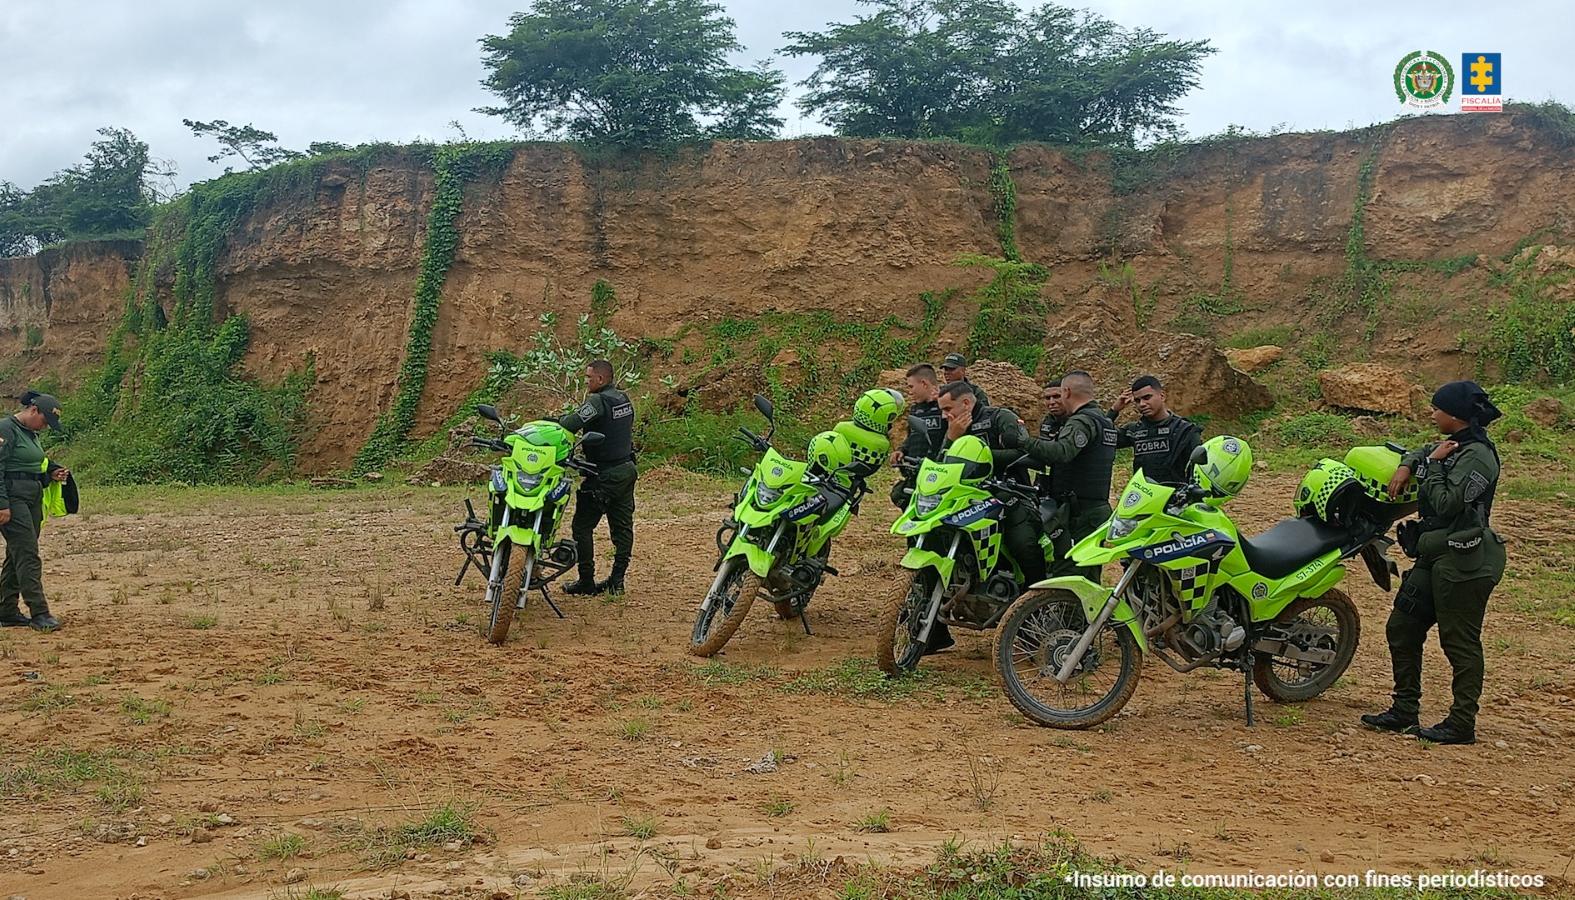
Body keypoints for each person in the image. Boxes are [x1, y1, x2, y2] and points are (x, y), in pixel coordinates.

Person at [1361, 381, 1507, 745]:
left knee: (1459, 642)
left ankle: (1461, 724)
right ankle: (1404, 709)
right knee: (1402, 627)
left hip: (1465, 558)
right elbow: (1425, 450)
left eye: (1436, 409)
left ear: (1455, 415)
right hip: (1435, 554)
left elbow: (1447, 504)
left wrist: (1434, 466)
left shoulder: (1478, 456)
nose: (1432, 413)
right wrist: (1410, 464)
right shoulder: (1454, 446)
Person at [1010, 371, 1117, 582]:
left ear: (1066, 392)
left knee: (1067, 574)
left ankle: (1071, 616)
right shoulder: (1104, 422)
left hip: (1080, 514)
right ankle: (1090, 615)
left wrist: (1024, 440)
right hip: (1094, 508)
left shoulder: (1081, 421)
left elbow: (1061, 452)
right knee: (1088, 574)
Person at [935, 382, 1043, 584]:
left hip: (1011, 494)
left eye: (947, 409)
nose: (944, 415)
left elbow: (1028, 452)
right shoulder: (955, 428)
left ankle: (1036, 594)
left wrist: (983, 456)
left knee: (1022, 543)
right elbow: (943, 465)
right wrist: (951, 438)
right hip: (968, 498)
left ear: (966, 403)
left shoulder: (1000, 418)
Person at [557, 359, 637, 595]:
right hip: (626, 470)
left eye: (588, 377)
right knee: (622, 527)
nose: (586, 381)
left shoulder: (598, 401)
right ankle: (617, 580)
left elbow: (570, 423)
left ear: (601, 379)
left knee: (582, 526)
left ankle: (586, 580)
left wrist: (558, 420)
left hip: (604, 476)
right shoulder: (623, 399)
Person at [0, 393, 67, 631]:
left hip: (32, 496)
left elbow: (30, 465)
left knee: (18, 553)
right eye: (45, 421)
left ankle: (6, 610)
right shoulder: (6, 429)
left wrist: (50, 474)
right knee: (28, 553)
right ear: (34, 410)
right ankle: (39, 612)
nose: (45, 426)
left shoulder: (31, 433)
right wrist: (2, 504)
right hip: (13, 498)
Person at [1111, 375, 1203, 486]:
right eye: (1137, 400)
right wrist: (1114, 410)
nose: (1142, 404)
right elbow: (1104, 438)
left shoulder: (1184, 430)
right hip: (1144, 497)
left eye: (1147, 397)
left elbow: (1199, 471)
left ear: (1162, 396)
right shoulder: (1134, 430)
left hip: (1177, 498)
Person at [889, 365, 943, 508]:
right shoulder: (916, 409)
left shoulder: (945, 405)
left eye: (911, 387)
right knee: (899, 495)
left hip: (938, 472)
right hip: (916, 471)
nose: (909, 392)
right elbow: (911, 436)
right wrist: (901, 451)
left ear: (924, 384)